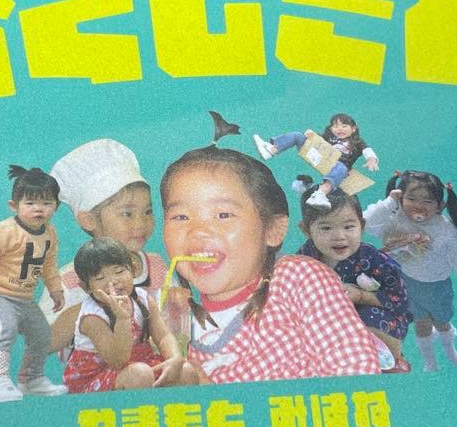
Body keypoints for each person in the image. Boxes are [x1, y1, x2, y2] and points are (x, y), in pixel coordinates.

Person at [160, 145, 385, 384]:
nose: (198, 232)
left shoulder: (297, 279)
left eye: (223, 215)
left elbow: (356, 372)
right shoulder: (179, 324)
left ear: (273, 230)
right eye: (180, 217)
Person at [46, 139, 170, 350]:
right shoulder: (69, 279)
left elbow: (174, 325)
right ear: (88, 220)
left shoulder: (156, 266)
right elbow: (44, 343)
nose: (141, 223)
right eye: (127, 214)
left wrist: (176, 304)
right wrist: (91, 306)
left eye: (148, 212)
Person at [0, 166, 67, 402]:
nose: (39, 209)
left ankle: (31, 379)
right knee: (5, 328)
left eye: (46, 203)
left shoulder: (50, 234)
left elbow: (49, 265)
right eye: (30, 203)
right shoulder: (4, 231)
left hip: (24, 299)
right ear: (14, 206)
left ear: (56, 206)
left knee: (42, 334)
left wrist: (56, 290)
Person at [363, 171, 457, 372]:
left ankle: (451, 352)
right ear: (401, 198)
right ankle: (430, 361)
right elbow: (364, 222)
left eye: (428, 201)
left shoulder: (445, 228)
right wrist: (390, 202)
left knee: (441, 324)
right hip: (408, 283)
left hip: (437, 286)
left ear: (440, 205)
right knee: (421, 324)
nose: (419, 206)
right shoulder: (395, 219)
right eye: (412, 199)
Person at [296, 181, 411, 372]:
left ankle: (394, 359)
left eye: (348, 227)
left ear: (361, 225)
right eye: (326, 228)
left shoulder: (374, 260)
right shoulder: (306, 257)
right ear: (306, 230)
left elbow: (400, 300)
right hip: (331, 321)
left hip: (375, 315)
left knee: (369, 318)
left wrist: (362, 296)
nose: (339, 236)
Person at [63, 238, 199, 393]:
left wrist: (174, 358)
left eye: (119, 271)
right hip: (97, 378)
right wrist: (122, 319)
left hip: (139, 365)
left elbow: (163, 336)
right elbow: (118, 361)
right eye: (100, 278)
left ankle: (169, 408)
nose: (113, 281)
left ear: (133, 269)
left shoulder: (142, 298)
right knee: (139, 375)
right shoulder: (92, 318)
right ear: (86, 287)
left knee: (185, 372)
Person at [251, 112, 378, 208]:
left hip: (337, 167)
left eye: (344, 126)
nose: (340, 129)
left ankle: (320, 194)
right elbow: (317, 141)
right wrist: (310, 135)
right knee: (298, 135)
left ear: (353, 129)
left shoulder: (357, 142)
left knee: (341, 167)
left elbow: (367, 151)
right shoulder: (329, 137)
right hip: (321, 158)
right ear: (331, 128)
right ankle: (272, 150)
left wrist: (372, 159)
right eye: (336, 126)